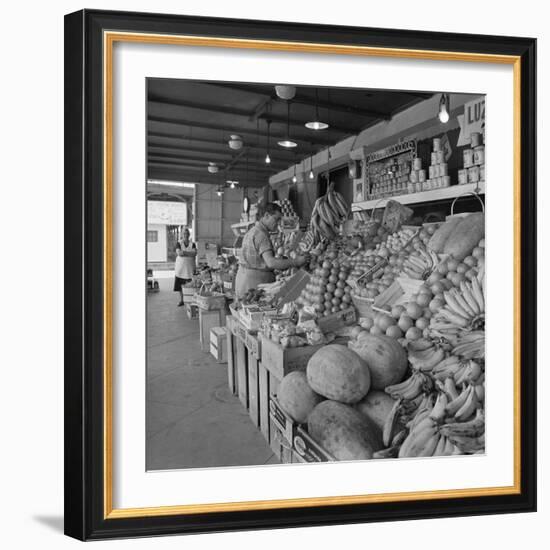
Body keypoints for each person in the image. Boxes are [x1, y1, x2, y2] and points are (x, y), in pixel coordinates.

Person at [235, 202, 308, 298]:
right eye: (276, 219)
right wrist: (296, 262)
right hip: (255, 284)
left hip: (243, 280)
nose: (278, 223)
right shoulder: (262, 235)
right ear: (266, 215)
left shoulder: (252, 231)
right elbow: (271, 263)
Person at [174, 228, 197, 306]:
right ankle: (182, 300)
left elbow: (194, 253)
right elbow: (179, 253)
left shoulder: (192, 243)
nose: (186, 235)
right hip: (180, 268)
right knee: (181, 286)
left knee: (191, 285)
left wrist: (184, 252)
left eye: (187, 233)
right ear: (182, 234)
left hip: (190, 268)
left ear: (189, 235)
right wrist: (189, 253)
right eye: (184, 233)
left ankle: (190, 300)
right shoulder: (179, 243)